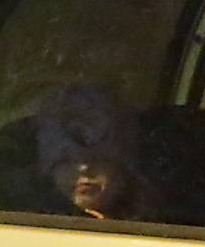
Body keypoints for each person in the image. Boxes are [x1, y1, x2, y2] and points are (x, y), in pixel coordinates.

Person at [35, 84, 149, 222]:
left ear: (123, 168)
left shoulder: (150, 227)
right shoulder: (33, 225)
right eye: (67, 160)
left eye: (98, 157)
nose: (83, 168)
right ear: (50, 171)